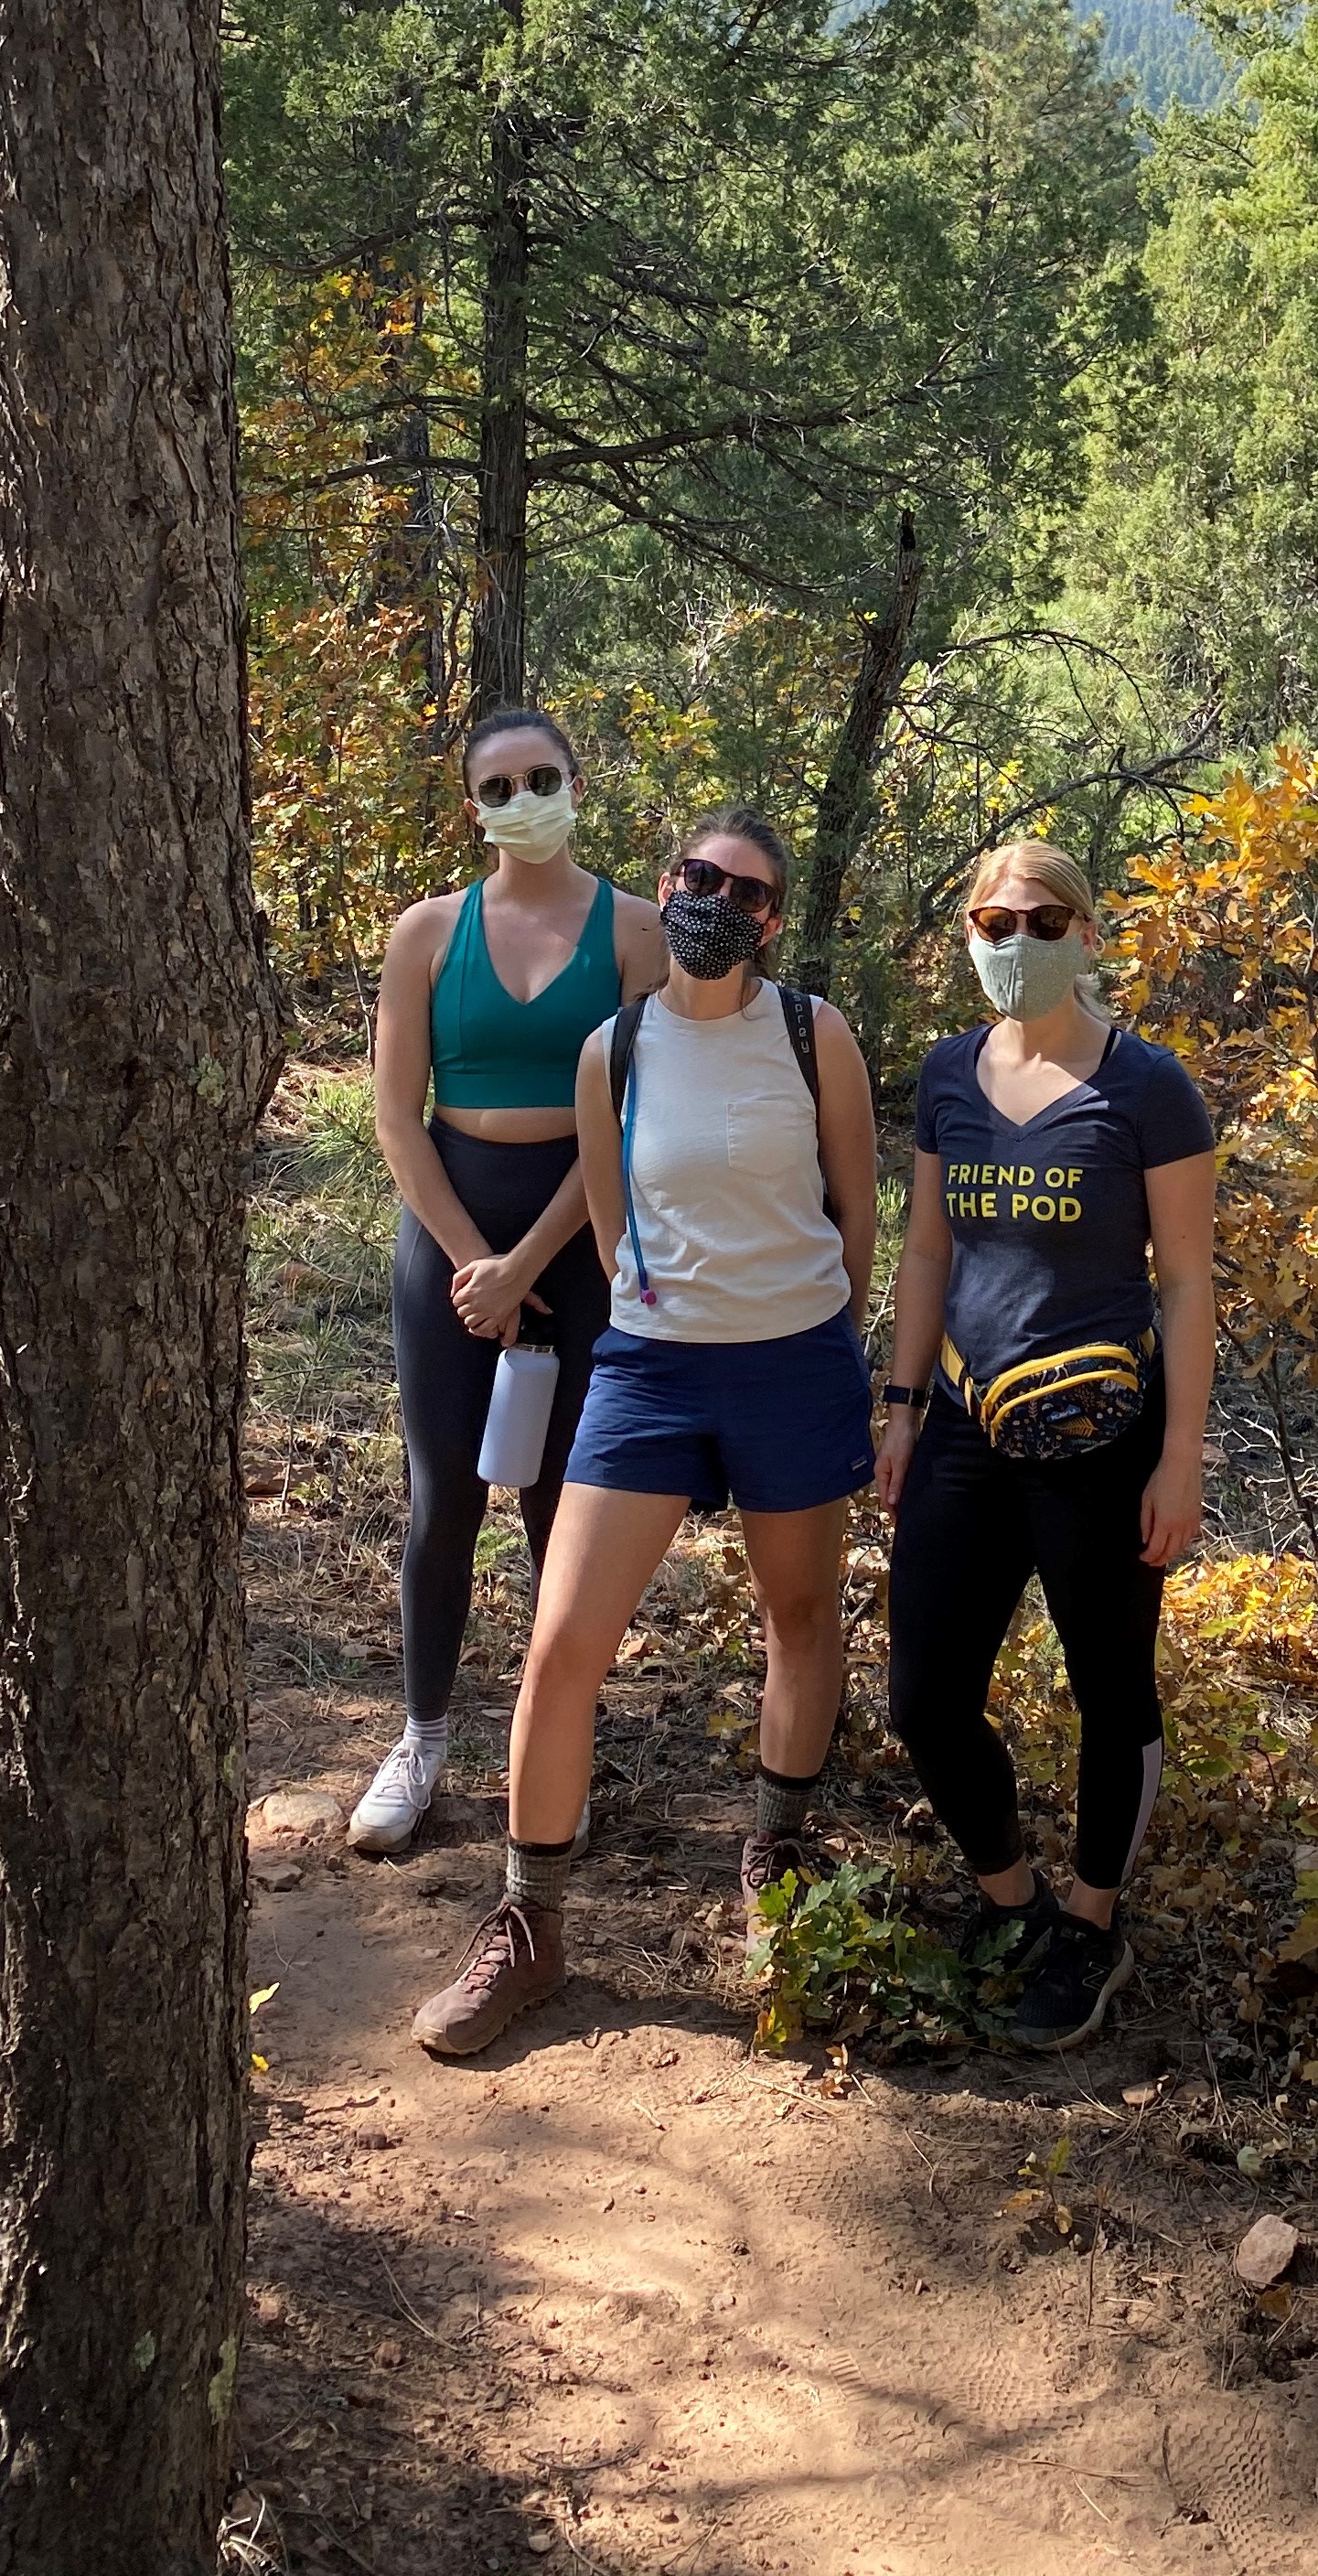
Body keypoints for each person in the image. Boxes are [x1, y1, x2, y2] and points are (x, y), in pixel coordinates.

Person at [413, 804, 880, 2057]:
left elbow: (856, 1203)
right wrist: (656, 1303)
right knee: (563, 1641)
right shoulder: (611, 1049)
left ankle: (776, 1859)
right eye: (700, 876)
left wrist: (823, 1334)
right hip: (652, 1372)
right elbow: (612, 1226)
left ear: (774, 922)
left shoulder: (811, 1033)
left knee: (798, 1616)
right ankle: (529, 1925)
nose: (719, 903)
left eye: (751, 893)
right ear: (665, 878)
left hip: (792, 1362)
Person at [878, 841, 1216, 2053]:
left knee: (1110, 1686)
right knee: (924, 1693)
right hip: (967, 1424)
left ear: (1085, 932)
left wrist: (1181, 1454)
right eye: (991, 919)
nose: (1013, 941)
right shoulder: (949, 1075)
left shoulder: (1146, 1088)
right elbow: (928, 1253)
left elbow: (1183, 1282)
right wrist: (903, 1403)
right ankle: (1010, 1896)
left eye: (1040, 918)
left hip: (1103, 1435)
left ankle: (1091, 1923)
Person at [352, 707, 666, 1856]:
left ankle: (552, 1745)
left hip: (578, 1237)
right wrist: (466, 1258)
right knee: (444, 1494)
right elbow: (397, 1113)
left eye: (543, 778)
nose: (523, 800)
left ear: (578, 784)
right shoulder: (428, 934)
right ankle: (423, 1736)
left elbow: (633, 1117)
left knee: (557, 1503)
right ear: (472, 806)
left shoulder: (636, 932)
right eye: (499, 787)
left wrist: (529, 1261)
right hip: (448, 1227)